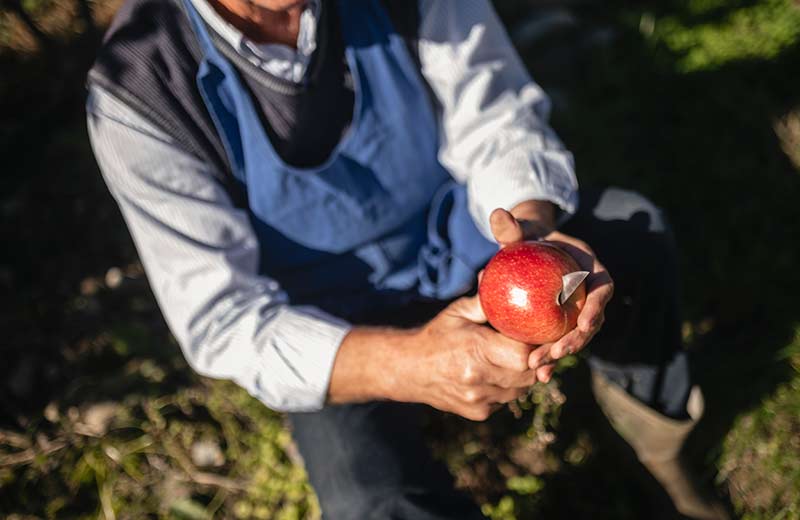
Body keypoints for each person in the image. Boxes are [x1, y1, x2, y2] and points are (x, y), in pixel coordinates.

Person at [86, 0, 728, 517]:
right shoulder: (139, 90)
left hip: (463, 239)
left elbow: (497, 120)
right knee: (370, 499)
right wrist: (408, 364)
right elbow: (222, 318)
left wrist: (532, 238)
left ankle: (658, 449)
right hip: (331, 322)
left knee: (632, 235)